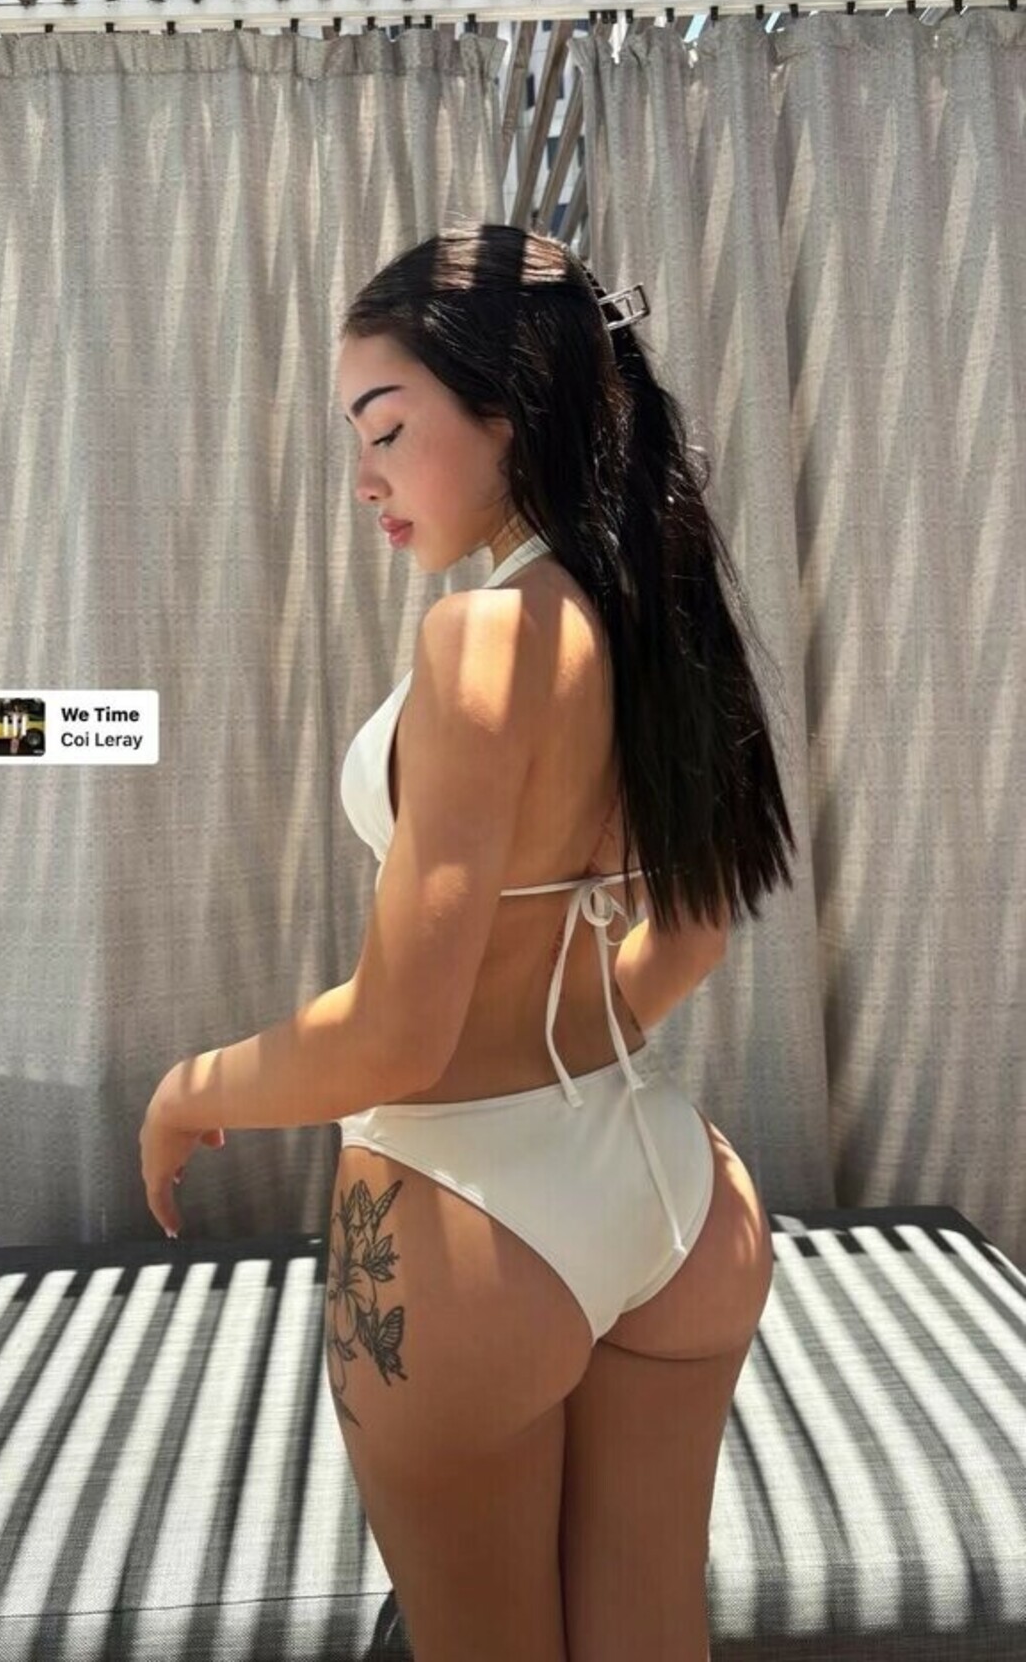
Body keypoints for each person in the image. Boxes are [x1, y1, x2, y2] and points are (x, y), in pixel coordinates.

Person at [326, 222, 797, 1662]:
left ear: (509, 413)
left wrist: (188, 1089)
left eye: (386, 429)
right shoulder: (656, 614)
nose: (365, 478)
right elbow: (696, 932)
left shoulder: (482, 637)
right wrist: (570, 1051)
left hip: (467, 1209)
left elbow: (398, 1032)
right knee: (652, 1632)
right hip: (674, 1196)